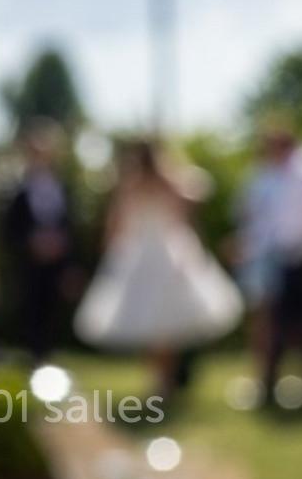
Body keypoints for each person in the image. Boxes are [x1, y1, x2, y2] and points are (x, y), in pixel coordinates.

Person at [75, 140, 241, 398]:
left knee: (156, 325)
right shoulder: (167, 182)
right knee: (161, 326)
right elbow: (185, 214)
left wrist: (110, 251)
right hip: (161, 252)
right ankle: (164, 381)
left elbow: (116, 224)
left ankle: (161, 381)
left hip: (149, 253)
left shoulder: (131, 185)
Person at [238, 121, 302, 405]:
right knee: (267, 320)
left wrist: (300, 252)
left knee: (301, 322)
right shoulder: (263, 175)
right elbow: (256, 217)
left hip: (301, 256)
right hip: (269, 257)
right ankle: (268, 381)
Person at [3, 122, 76, 362]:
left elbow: (69, 225)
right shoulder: (18, 191)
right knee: (31, 310)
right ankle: (33, 359)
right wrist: (32, 243)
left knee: (52, 312)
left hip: (56, 263)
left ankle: (49, 359)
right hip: (30, 264)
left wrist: (63, 253)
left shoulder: (63, 188)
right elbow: (11, 229)